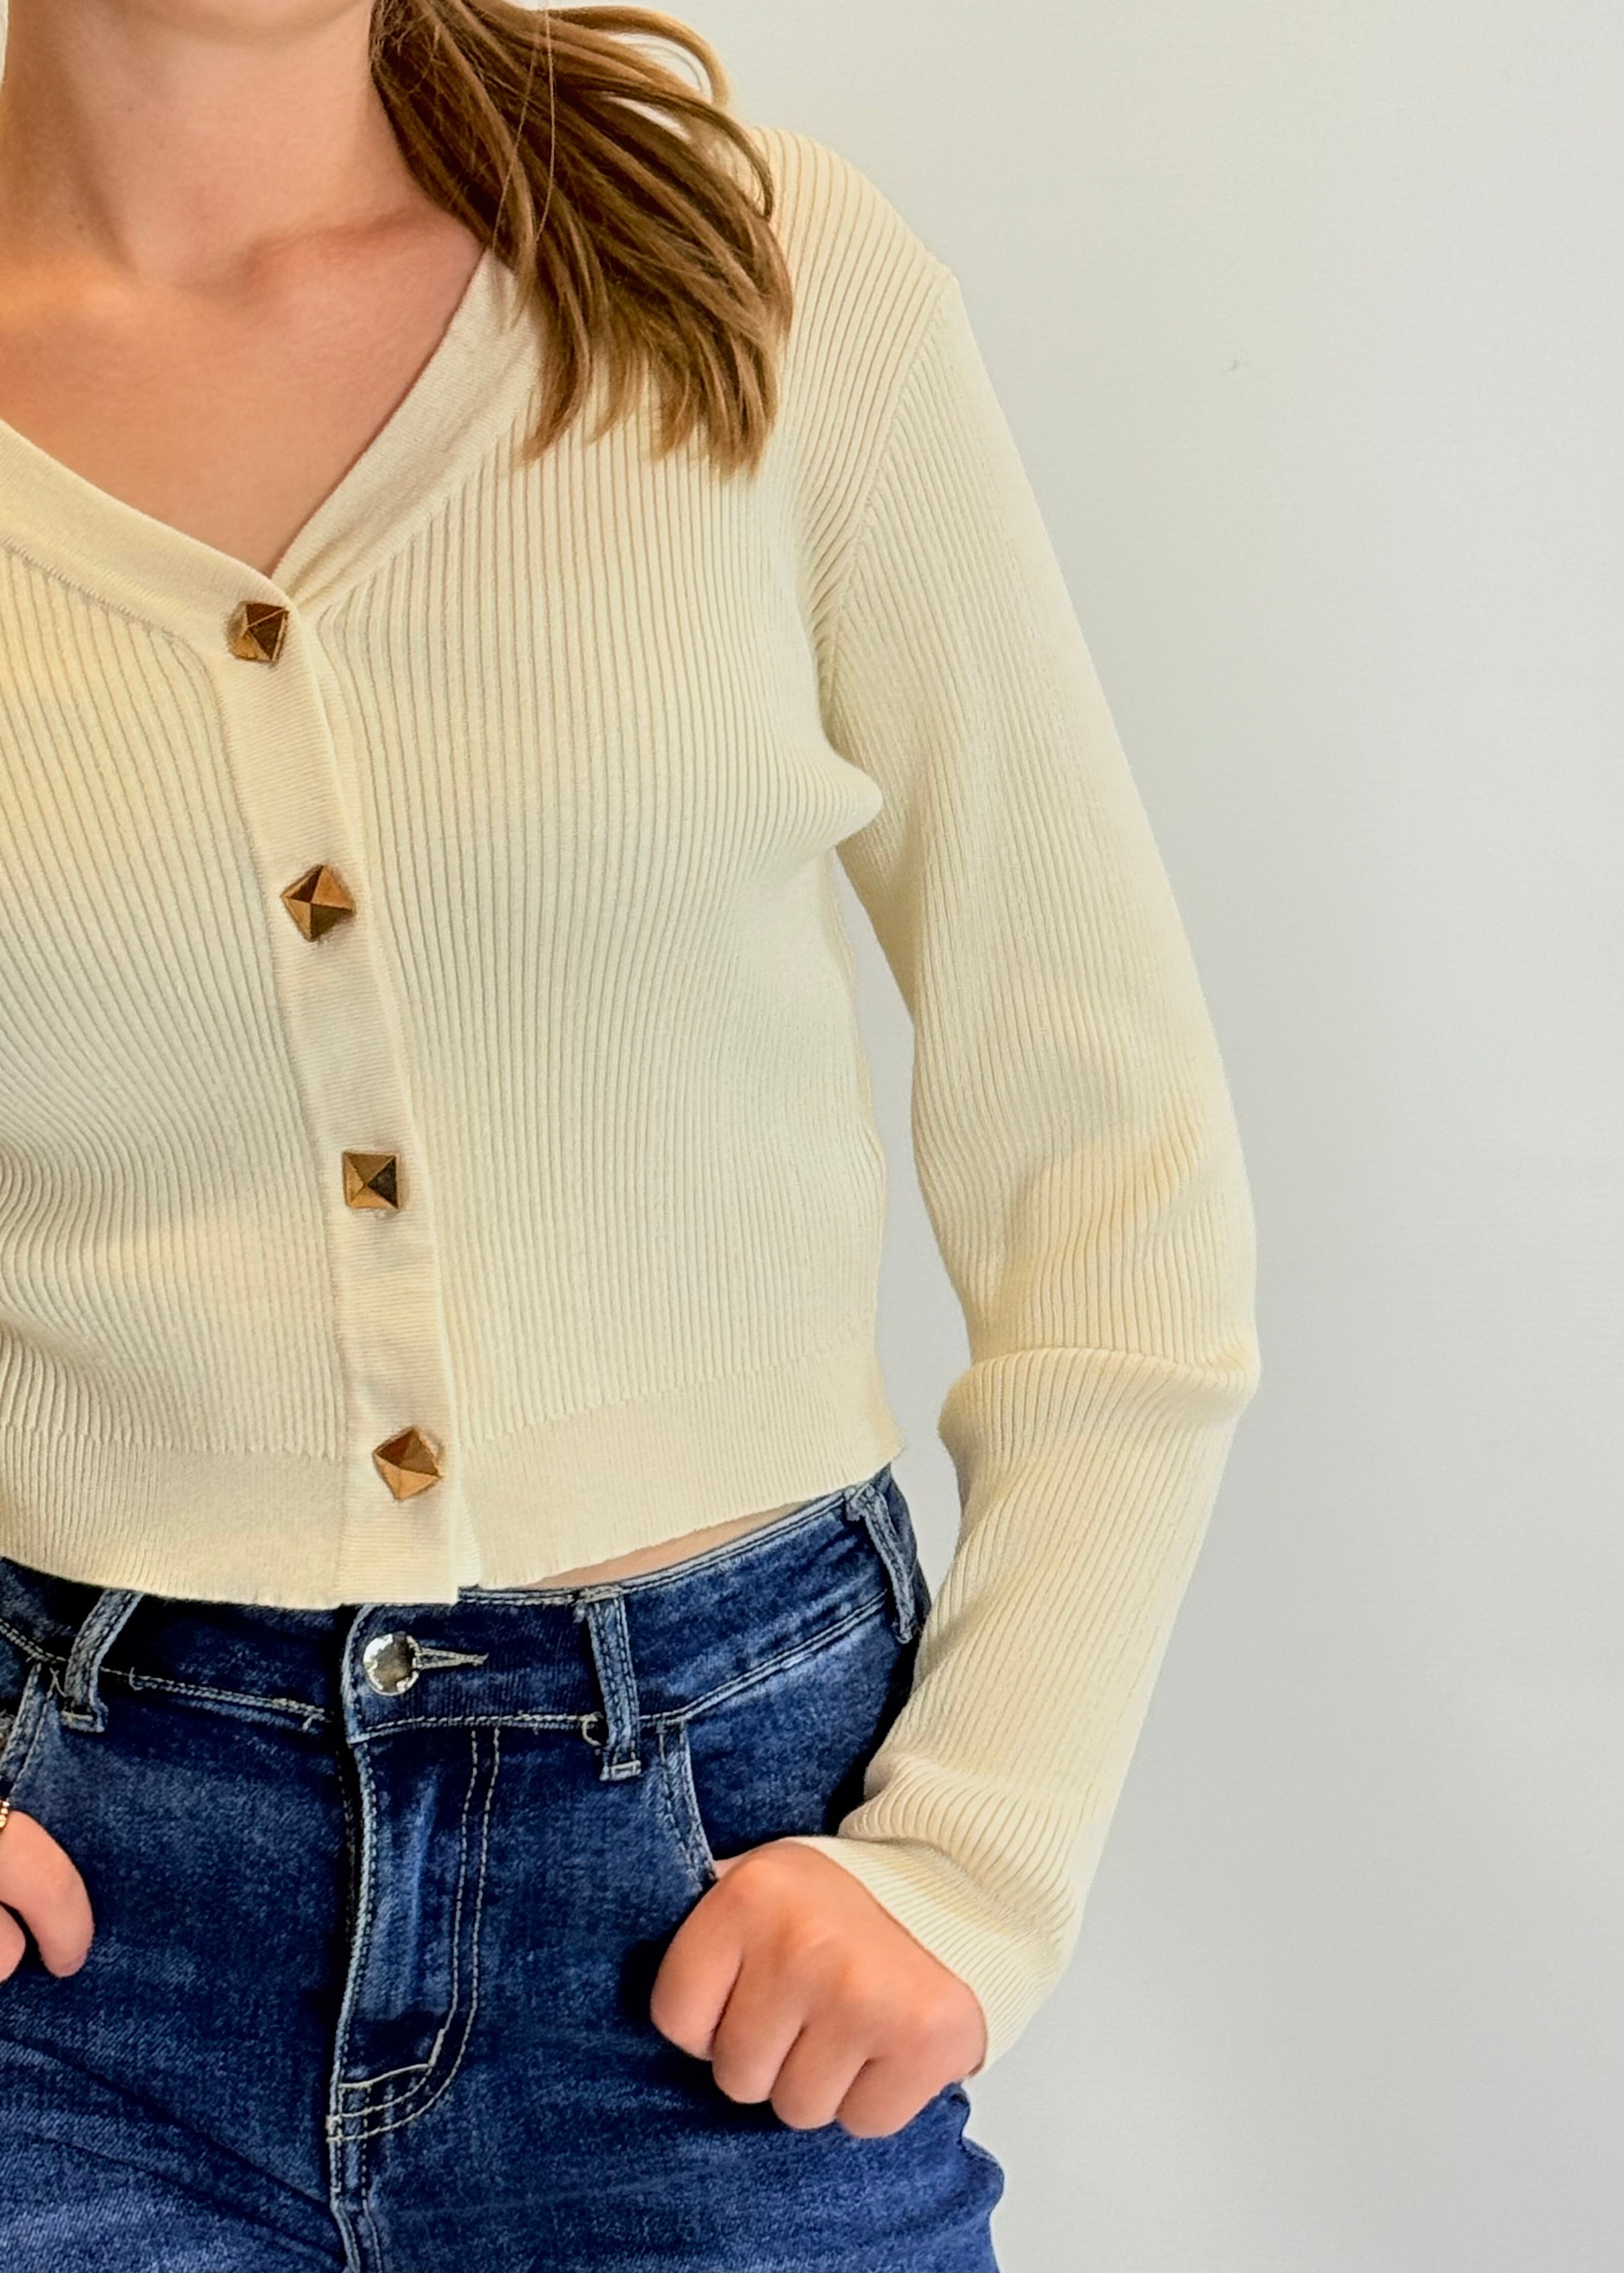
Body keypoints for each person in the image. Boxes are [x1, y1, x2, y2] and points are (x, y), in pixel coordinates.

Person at [0, 4, 1263, 2269]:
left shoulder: (747, 281)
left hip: (729, 1913)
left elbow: (1109, 1155)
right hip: (68, 1925)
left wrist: (974, 1858)